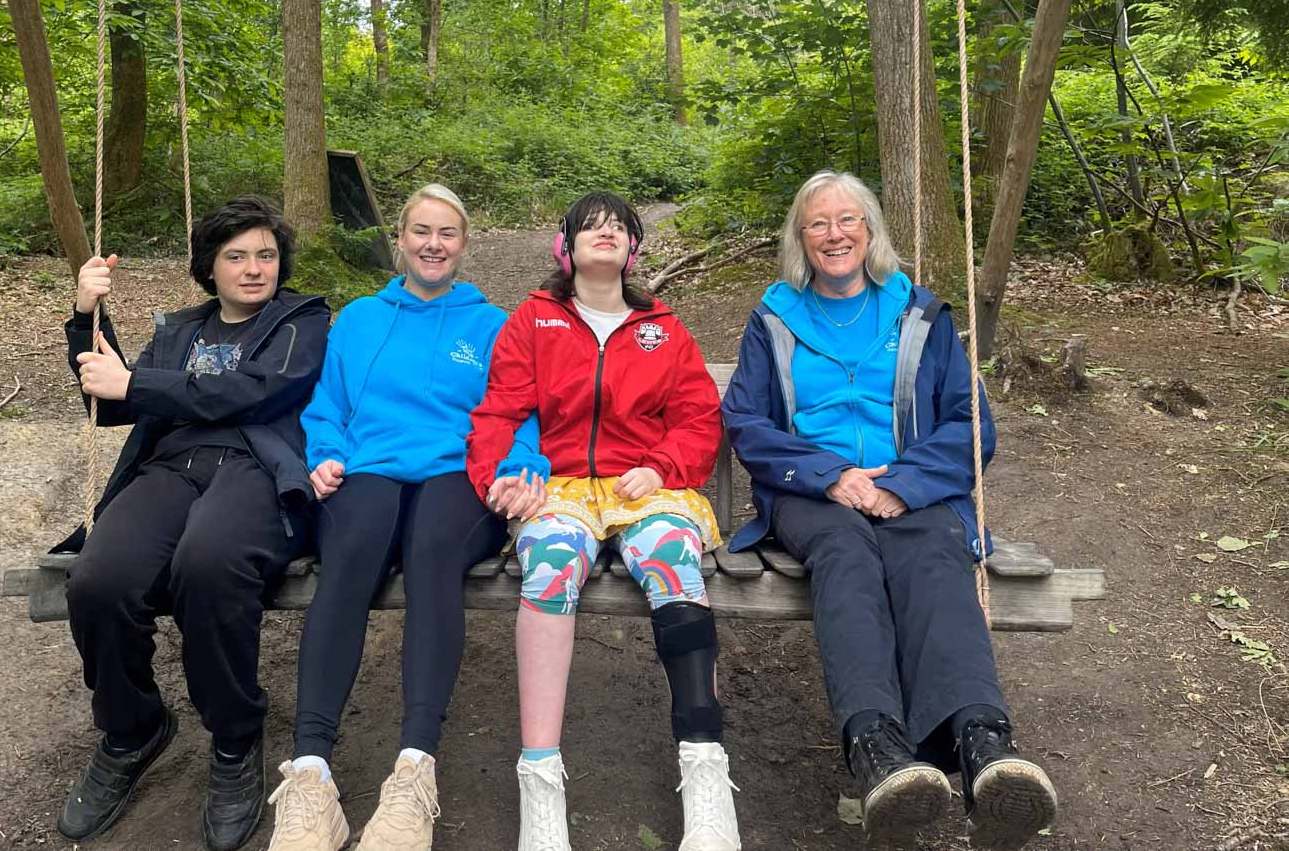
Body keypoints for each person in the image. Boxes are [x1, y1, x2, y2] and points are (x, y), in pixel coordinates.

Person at [720, 169, 1059, 848]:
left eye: (847, 219)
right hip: (812, 493)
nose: (834, 233)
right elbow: (747, 420)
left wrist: (902, 481)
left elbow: (971, 424)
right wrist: (830, 475)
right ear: (800, 236)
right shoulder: (775, 316)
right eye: (818, 222)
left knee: (934, 551)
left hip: (910, 487)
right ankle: (878, 750)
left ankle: (983, 742)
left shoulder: (920, 315)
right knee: (845, 555)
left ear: (870, 230)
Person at [266, 183, 543, 851]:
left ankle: (414, 770)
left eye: (446, 233)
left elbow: (519, 411)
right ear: (399, 239)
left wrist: (518, 466)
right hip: (369, 468)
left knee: (431, 555)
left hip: (459, 472)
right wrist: (326, 454)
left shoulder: (493, 324)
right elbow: (325, 405)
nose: (432, 244)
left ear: (464, 243)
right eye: (420, 231)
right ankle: (310, 774)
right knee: (351, 554)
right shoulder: (359, 319)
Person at [466, 191, 743, 851]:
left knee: (672, 554)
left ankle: (705, 771)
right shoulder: (533, 321)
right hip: (560, 485)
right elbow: (500, 410)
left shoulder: (663, 328)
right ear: (566, 247)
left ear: (633, 249)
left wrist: (665, 464)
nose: (606, 231)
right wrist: (500, 476)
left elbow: (698, 415)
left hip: (641, 484)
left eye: (619, 225)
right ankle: (541, 781)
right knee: (553, 562)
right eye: (591, 224)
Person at [55, 196, 330, 851]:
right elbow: (114, 401)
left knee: (208, 566)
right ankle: (132, 727)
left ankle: (235, 738)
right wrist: (84, 315)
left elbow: (259, 392)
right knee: (99, 579)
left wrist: (138, 385)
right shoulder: (180, 329)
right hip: (172, 467)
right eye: (236, 255)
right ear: (210, 264)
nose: (254, 267)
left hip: (256, 467)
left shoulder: (305, 320)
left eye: (265, 253)